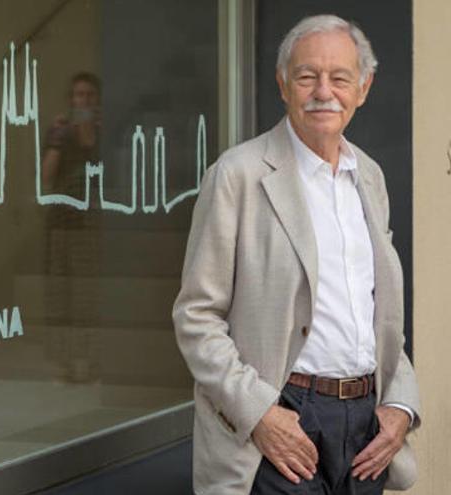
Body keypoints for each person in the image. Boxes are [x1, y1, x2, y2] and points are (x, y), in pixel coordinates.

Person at [172, 15, 420, 494]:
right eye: (307, 76)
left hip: (365, 431)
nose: (324, 91)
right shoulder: (238, 175)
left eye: (340, 78)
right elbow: (196, 316)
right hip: (281, 422)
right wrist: (259, 413)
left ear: (363, 88)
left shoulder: (369, 177)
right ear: (283, 85)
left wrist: (400, 406)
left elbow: (381, 315)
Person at [41, 72, 102, 383]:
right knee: (60, 294)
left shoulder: (105, 133)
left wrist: (92, 132)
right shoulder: (60, 133)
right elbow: (46, 176)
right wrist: (56, 140)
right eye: (79, 95)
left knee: (87, 296)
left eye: (90, 95)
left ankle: (86, 360)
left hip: (92, 224)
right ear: (71, 100)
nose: (84, 101)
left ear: (98, 100)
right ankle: (63, 362)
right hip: (61, 222)